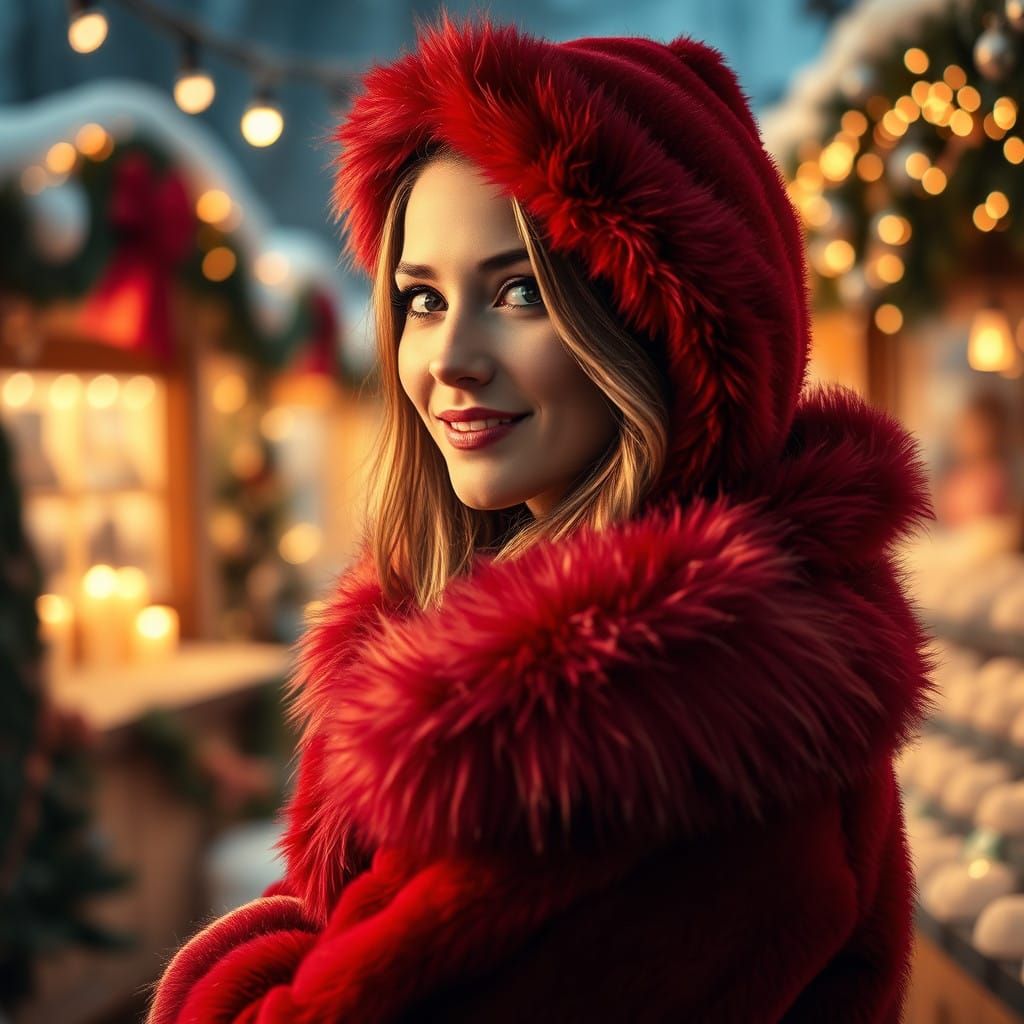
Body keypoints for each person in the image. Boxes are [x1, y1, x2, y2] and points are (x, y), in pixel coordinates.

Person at [146, 13, 935, 1022]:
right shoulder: (508, 641)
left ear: (664, 329)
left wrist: (241, 961)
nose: (448, 359)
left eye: (518, 291)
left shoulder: (654, 736)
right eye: (421, 299)